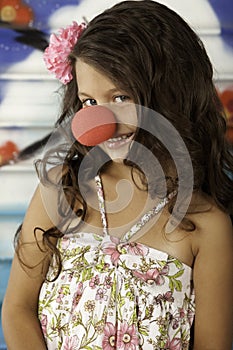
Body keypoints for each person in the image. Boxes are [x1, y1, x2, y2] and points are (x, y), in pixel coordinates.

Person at [2, 1, 233, 349]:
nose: (101, 122)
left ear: (172, 94)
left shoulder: (205, 225)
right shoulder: (62, 189)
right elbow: (17, 310)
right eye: (89, 103)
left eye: (121, 97)